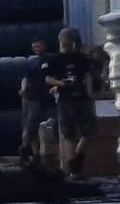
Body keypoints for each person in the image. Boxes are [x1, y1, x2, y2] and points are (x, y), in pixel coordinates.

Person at [43, 28, 97, 176]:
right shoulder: (56, 59)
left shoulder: (81, 58)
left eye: (68, 42)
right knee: (68, 134)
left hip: (82, 98)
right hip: (66, 100)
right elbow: (48, 78)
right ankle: (74, 168)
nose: (65, 45)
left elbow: (87, 76)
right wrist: (61, 84)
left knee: (89, 132)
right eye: (63, 43)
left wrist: (89, 91)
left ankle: (78, 158)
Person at [19, 37, 53, 164]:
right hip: (30, 97)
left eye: (38, 46)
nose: (36, 49)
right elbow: (25, 78)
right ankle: (29, 152)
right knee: (29, 126)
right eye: (34, 47)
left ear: (44, 45)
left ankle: (31, 153)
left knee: (33, 126)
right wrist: (23, 89)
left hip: (42, 97)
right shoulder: (31, 62)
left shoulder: (50, 59)